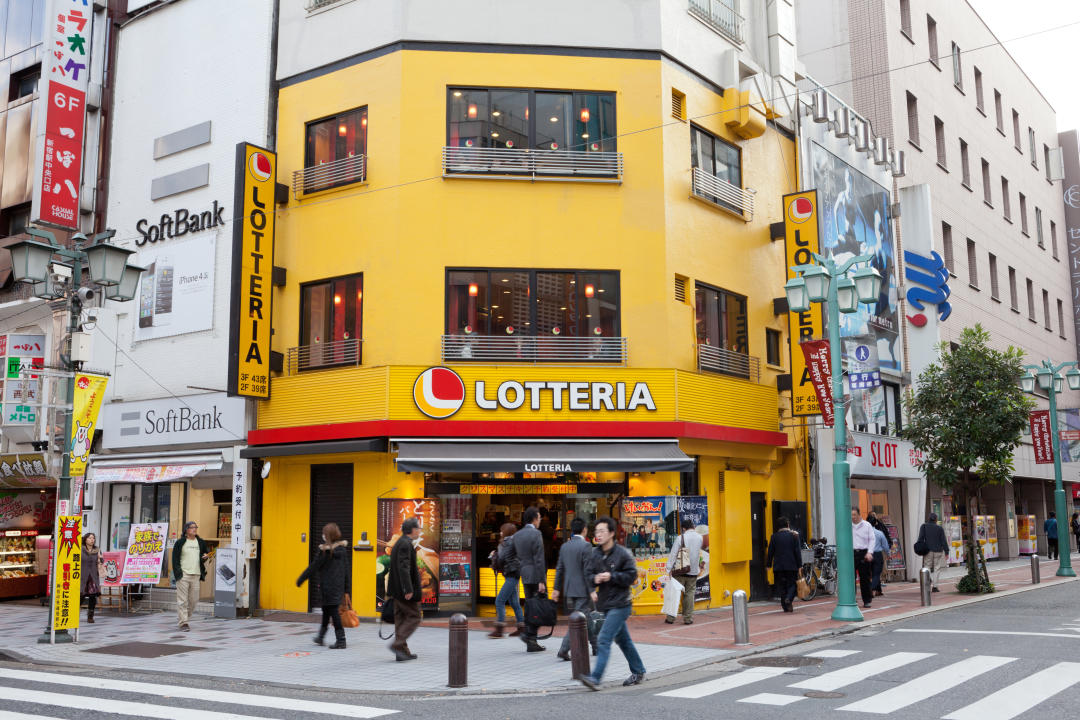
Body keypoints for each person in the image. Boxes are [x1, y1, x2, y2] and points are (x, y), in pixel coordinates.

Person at [577, 516, 646, 691]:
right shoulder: (595, 554)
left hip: (621, 604)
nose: (598, 535)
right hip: (605, 604)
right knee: (624, 641)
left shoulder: (622, 554)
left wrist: (611, 576)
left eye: (602, 531)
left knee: (604, 639)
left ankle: (595, 678)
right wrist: (594, 583)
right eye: (596, 531)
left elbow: (632, 576)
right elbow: (588, 574)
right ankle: (638, 671)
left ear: (612, 533)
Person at [296, 522, 350, 649]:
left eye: (324, 534)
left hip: (328, 587)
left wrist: (301, 579)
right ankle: (321, 637)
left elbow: (313, 567)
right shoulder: (342, 550)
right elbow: (347, 570)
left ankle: (341, 640)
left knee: (333, 613)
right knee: (326, 611)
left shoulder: (325, 552)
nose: (322, 536)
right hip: (337, 588)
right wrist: (347, 589)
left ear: (328, 536)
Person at [553, 517, 596, 660]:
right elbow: (587, 570)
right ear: (584, 529)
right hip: (582, 589)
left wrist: (556, 589)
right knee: (578, 621)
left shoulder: (565, 546)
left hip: (569, 589)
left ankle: (596, 646)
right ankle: (564, 649)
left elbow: (559, 569)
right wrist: (592, 590)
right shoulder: (586, 546)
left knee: (586, 617)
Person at [511, 506, 547, 652]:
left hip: (525, 575)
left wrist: (520, 567)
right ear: (534, 518)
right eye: (539, 518)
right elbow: (539, 559)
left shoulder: (517, 535)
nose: (540, 520)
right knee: (540, 607)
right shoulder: (536, 534)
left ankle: (531, 640)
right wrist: (541, 581)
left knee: (531, 606)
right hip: (536, 576)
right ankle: (529, 635)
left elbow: (511, 554)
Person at [387, 517, 422, 661]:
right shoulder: (405, 544)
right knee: (414, 616)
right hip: (403, 590)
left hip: (396, 589)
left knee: (401, 619)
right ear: (413, 530)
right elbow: (403, 568)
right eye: (419, 528)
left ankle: (402, 653)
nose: (420, 530)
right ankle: (398, 644)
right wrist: (408, 589)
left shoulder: (401, 542)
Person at [171, 521, 210, 631]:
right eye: (192, 527)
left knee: (194, 600)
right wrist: (179, 573)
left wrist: (206, 556)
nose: (194, 529)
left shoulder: (201, 542)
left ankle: (184, 618)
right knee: (182, 600)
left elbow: (204, 555)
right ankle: (183, 623)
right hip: (184, 575)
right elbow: (175, 559)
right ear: (186, 530)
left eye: (195, 527)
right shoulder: (180, 542)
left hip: (196, 574)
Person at [665, 517, 703, 624]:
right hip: (693, 571)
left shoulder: (680, 538)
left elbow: (673, 554)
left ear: (683, 528)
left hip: (680, 571)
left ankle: (670, 618)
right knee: (690, 594)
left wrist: (668, 568)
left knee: (675, 594)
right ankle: (688, 618)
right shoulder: (700, 538)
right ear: (693, 527)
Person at [488, 523, 523, 639]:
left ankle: (499, 630)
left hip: (511, 574)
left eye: (502, 530)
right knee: (514, 603)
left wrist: (494, 555)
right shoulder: (515, 541)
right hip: (513, 573)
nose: (501, 532)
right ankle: (521, 629)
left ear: (507, 532)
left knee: (499, 601)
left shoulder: (506, 542)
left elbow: (503, 558)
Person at [765, 517, 801, 613]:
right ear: (787, 525)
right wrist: (800, 565)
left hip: (778, 567)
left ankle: (785, 607)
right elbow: (797, 552)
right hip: (791, 565)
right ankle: (789, 598)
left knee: (782, 586)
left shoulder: (774, 536)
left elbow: (770, 552)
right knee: (793, 584)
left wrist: (768, 565)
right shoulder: (794, 536)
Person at [917, 513, 949, 592]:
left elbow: (920, 539)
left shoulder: (924, 526)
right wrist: (946, 551)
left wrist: (920, 548)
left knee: (927, 567)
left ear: (929, 518)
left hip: (928, 550)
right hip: (938, 551)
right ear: (936, 519)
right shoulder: (939, 528)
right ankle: (935, 587)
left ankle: (927, 583)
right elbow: (943, 541)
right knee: (937, 568)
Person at [850, 509, 875, 608]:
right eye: (851, 515)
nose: (853, 517)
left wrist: (870, 552)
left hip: (864, 553)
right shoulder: (848, 525)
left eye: (855, 514)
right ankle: (851, 599)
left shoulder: (867, 525)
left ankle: (867, 600)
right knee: (850, 578)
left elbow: (872, 539)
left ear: (859, 515)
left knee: (865, 578)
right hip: (851, 554)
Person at [80, 533, 105, 624]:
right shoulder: (80, 549)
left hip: (93, 576)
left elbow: (102, 561)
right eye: (90, 538)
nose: (92, 539)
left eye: (93, 538)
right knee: (80, 595)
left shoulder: (97, 550)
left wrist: (100, 558)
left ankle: (90, 616)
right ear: (85, 539)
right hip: (82, 576)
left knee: (92, 595)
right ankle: (74, 613)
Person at [870, 522, 889, 597]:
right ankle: (872, 588)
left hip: (868, 554)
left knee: (872, 573)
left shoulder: (865, 533)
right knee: (877, 573)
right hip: (877, 554)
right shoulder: (879, 533)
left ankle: (878, 591)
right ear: (875, 523)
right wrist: (888, 553)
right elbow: (885, 545)